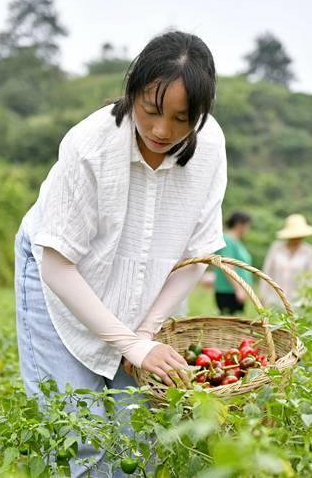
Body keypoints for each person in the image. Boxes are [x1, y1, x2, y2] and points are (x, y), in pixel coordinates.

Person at [14, 32, 225, 476]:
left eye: (181, 119)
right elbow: (57, 262)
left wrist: (144, 335)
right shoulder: (89, 146)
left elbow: (196, 254)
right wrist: (128, 342)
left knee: (138, 443)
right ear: (132, 91)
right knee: (80, 439)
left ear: (200, 116)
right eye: (150, 110)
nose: (162, 130)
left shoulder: (210, 148)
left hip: (144, 295)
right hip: (61, 278)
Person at [260, 214, 312, 308]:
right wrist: (262, 296)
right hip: (274, 301)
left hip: (297, 303)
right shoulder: (276, 248)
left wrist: (309, 300)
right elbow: (267, 272)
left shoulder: (308, 251)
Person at [213, 211, 254, 315]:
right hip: (228, 291)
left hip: (234, 291)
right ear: (240, 224)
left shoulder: (236, 241)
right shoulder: (228, 240)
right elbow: (227, 265)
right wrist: (239, 289)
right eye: (247, 226)